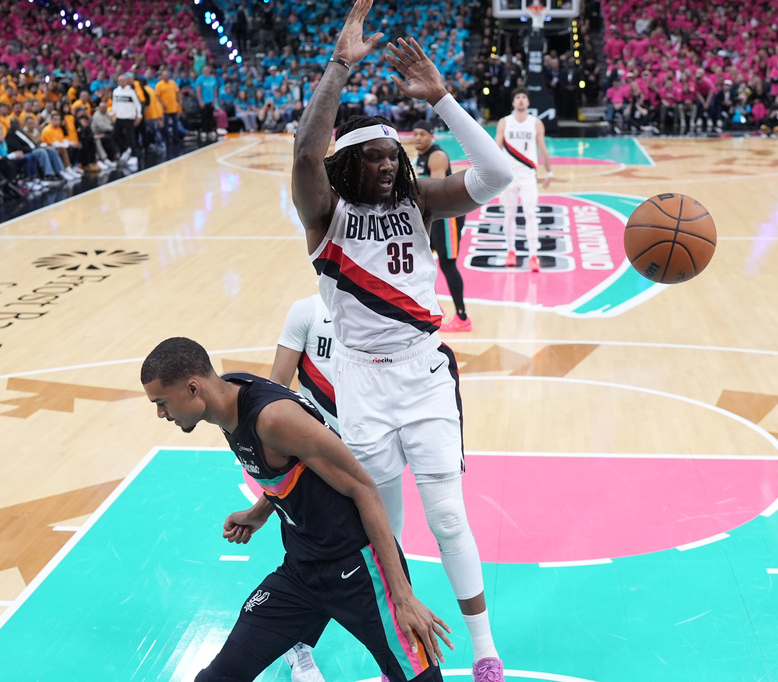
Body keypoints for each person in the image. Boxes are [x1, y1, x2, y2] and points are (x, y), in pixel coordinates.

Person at [290, 2, 512, 678]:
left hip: (422, 373)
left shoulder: (418, 204)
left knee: (447, 515)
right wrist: (338, 68)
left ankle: (483, 649)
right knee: (381, 527)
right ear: (351, 165)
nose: (390, 166)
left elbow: (499, 177)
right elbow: (305, 151)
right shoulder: (324, 212)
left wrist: (443, 99)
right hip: (360, 383)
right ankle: (393, 629)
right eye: (377, 158)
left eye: (395, 157)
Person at [140, 337, 451, 682]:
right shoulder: (225, 403)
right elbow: (289, 469)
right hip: (301, 572)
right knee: (219, 677)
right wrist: (259, 512)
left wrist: (403, 596)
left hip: (358, 571)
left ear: (193, 388)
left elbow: (363, 489)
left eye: (162, 402)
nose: (161, 414)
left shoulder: (273, 419)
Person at [412, 121, 471, 331]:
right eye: (415, 134)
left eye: (422, 134)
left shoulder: (437, 156)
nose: (417, 137)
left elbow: (435, 192)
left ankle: (463, 318)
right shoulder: (421, 156)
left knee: (447, 265)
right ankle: (435, 308)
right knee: (419, 265)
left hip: (446, 217)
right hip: (432, 217)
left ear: (431, 136)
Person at [495, 87, 552, 273]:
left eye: (523, 97)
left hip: (528, 176)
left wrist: (549, 172)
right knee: (509, 215)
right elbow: (495, 149)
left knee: (530, 214)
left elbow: (542, 149)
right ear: (513, 102)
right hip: (509, 177)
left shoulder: (536, 123)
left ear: (528, 102)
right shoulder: (504, 122)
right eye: (517, 97)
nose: (520, 100)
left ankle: (533, 255)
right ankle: (511, 251)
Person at [269, 293, 340, 434]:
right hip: (316, 434)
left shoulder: (381, 313)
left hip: (367, 434)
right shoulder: (308, 309)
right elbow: (278, 384)